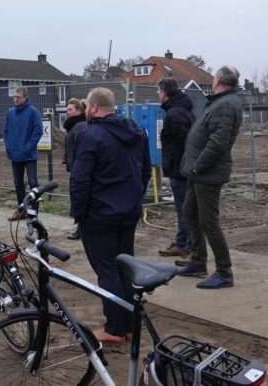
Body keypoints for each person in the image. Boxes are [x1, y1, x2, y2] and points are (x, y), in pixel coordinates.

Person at [70, 87, 151, 344]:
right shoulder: (137, 132)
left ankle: (115, 329)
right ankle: (128, 325)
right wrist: (134, 197)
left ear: (93, 108)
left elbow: (79, 179)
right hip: (128, 212)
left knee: (107, 271)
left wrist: (80, 213)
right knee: (124, 268)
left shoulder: (91, 135)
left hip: (99, 216)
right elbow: (145, 171)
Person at [177, 66, 243, 289]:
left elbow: (218, 143)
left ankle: (224, 272)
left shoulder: (225, 105)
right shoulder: (220, 101)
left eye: (214, 75)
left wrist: (197, 167)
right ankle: (197, 262)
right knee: (189, 213)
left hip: (208, 174)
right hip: (199, 172)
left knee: (209, 222)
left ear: (218, 80)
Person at [156, 78, 195, 259]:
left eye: (159, 92)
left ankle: (186, 246)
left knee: (183, 209)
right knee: (183, 208)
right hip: (181, 168)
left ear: (164, 93)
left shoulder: (174, 115)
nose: (158, 95)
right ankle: (182, 242)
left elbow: (187, 142)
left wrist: (181, 165)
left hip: (180, 170)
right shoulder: (182, 110)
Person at [4, 87, 42, 221]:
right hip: (15, 154)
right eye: (14, 97)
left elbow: (38, 131)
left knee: (32, 182)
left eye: (18, 97)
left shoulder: (33, 112)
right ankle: (21, 210)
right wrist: (8, 146)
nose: (16, 99)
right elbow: (6, 131)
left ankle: (34, 211)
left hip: (29, 154)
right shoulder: (11, 113)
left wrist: (28, 147)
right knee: (18, 183)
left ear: (25, 97)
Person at [63, 98, 87, 240]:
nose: (67, 112)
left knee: (79, 195)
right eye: (67, 110)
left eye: (70, 110)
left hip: (79, 166)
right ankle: (80, 227)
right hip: (75, 165)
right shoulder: (71, 126)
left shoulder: (79, 126)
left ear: (79, 111)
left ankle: (80, 229)